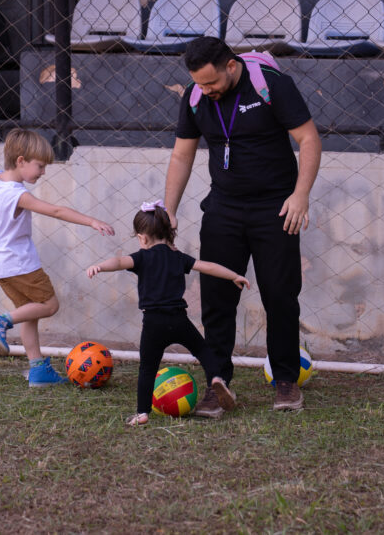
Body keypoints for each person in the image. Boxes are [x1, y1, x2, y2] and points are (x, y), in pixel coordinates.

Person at [163, 36, 322, 417]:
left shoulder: (271, 85)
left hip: (276, 209)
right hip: (223, 210)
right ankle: (217, 382)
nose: (206, 90)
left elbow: (309, 139)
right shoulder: (196, 96)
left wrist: (300, 195)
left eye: (211, 83)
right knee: (217, 300)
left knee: (280, 297)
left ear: (231, 66)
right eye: (199, 84)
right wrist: (169, 211)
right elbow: (182, 155)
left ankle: (285, 381)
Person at [0, 128, 114, 386]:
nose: (43, 172)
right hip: (21, 265)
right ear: (21, 161)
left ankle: (38, 369)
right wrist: (91, 221)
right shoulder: (18, 195)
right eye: (40, 166)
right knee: (50, 305)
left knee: (29, 312)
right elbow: (57, 211)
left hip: (0, 265)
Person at [87, 199, 251, 425]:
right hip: (178, 319)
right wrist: (234, 275)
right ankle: (216, 377)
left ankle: (142, 413)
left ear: (142, 237)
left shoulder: (141, 257)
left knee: (147, 368)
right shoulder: (178, 257)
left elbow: (118, 261)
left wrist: (100, 267)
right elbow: (208, 266)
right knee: (204, 351)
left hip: (154, 323)